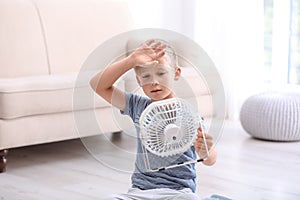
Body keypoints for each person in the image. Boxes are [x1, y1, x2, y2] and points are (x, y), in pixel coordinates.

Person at [90, 39, 218, 200]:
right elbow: (97, 85)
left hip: (178, 193)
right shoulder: (137, 106)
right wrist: (131, 61)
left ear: (176, 73)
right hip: (141, 192)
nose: (154, 81)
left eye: (161, 73)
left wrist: (205, 151)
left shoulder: (189, 115)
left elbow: (210, 159)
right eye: (145, 75)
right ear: (138, 80)